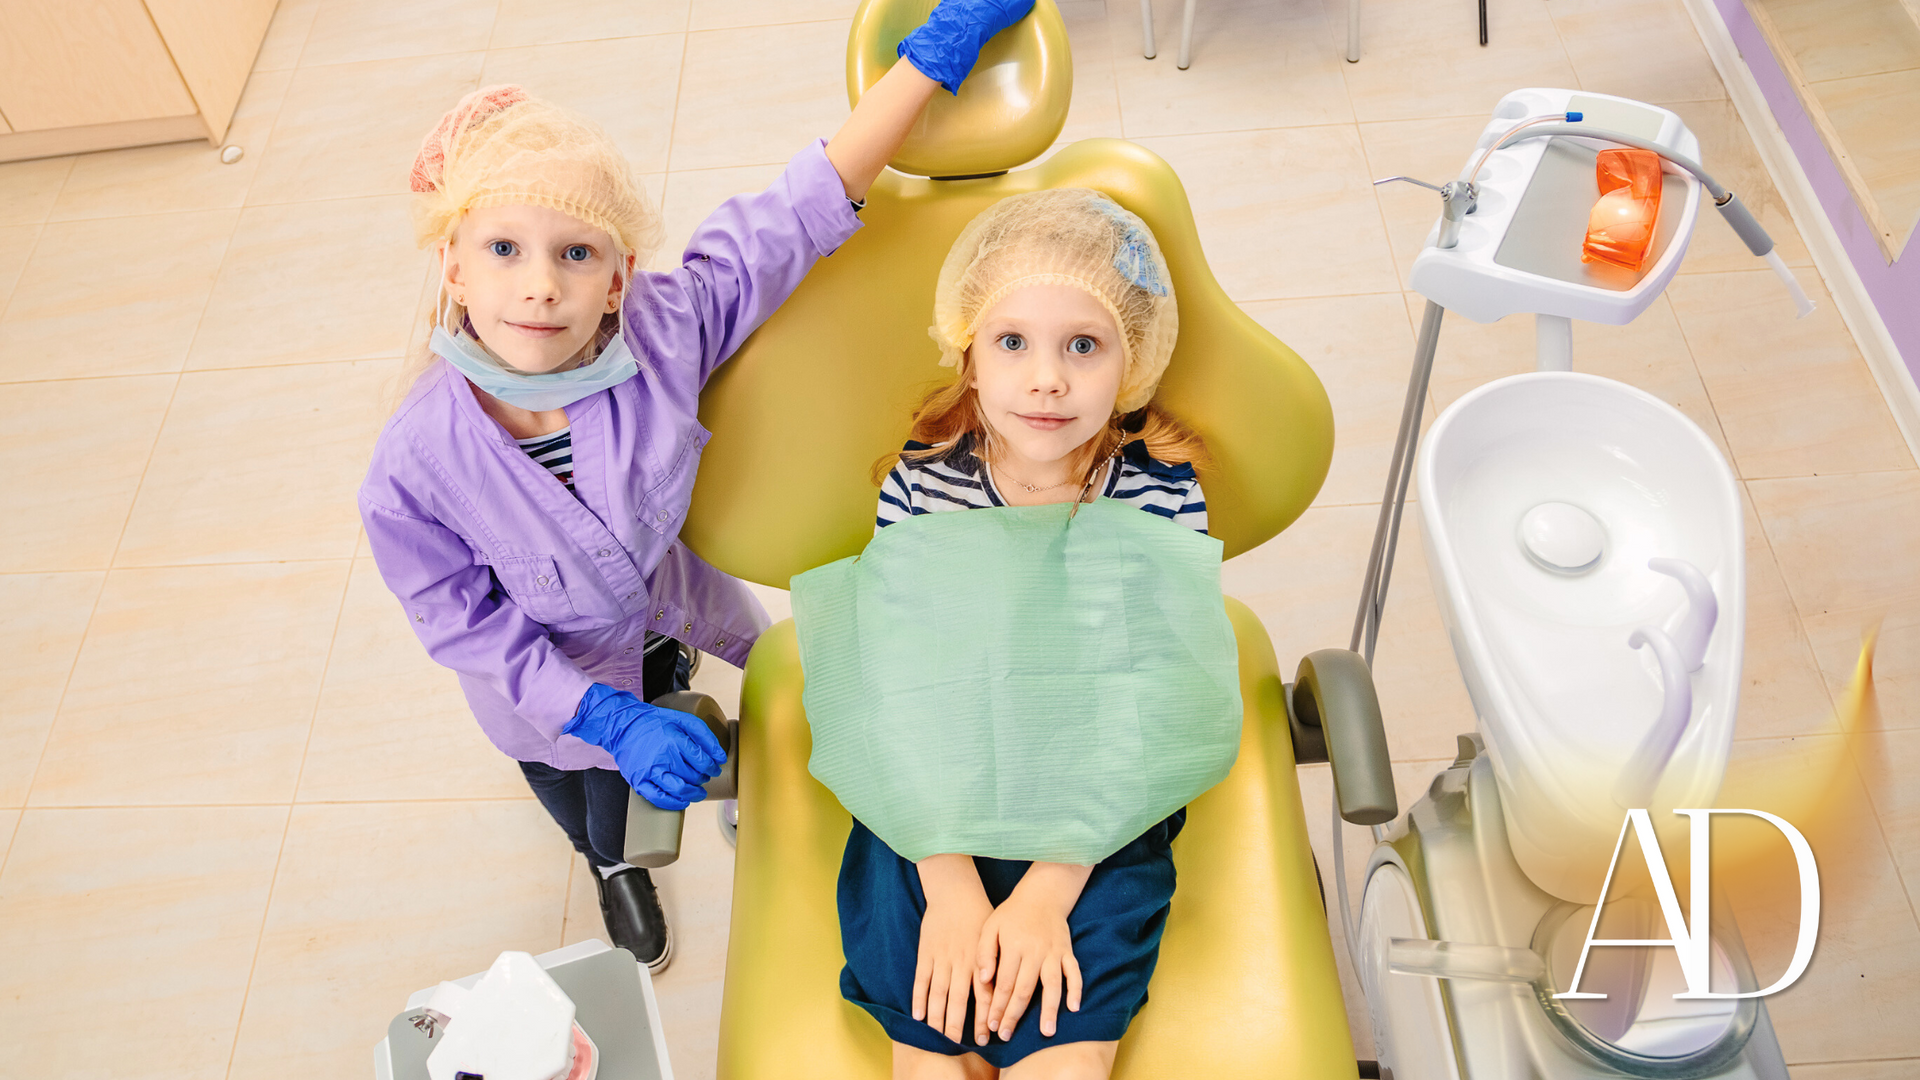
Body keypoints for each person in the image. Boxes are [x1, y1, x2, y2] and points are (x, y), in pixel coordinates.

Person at [359, 0, 1036, 973]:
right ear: (452, 268)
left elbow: (805, 205)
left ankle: (706, 773)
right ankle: (608, 868)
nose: (541, 286)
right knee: (592, 798)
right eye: (504, 249)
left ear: (622, 277)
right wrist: (600, 717)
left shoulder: (669, 331)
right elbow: (461, 623)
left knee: (704, 696)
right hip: (546, 687)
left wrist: (931, 57)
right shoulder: (414, 466)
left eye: (575, 253)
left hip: (666, 609)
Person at [839, 189, 1210, 1078]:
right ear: (968, 353)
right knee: (932, 1055)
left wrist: (1049, 890)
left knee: (1064, 1059)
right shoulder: (923, 491)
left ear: (1134, 358)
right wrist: (952, 889)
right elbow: (897, 695)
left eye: (1083, 345)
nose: (1048, 378)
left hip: (1100, 817)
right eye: (1013, 342)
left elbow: (1154, 710)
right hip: (938, 808)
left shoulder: (1159, 498)